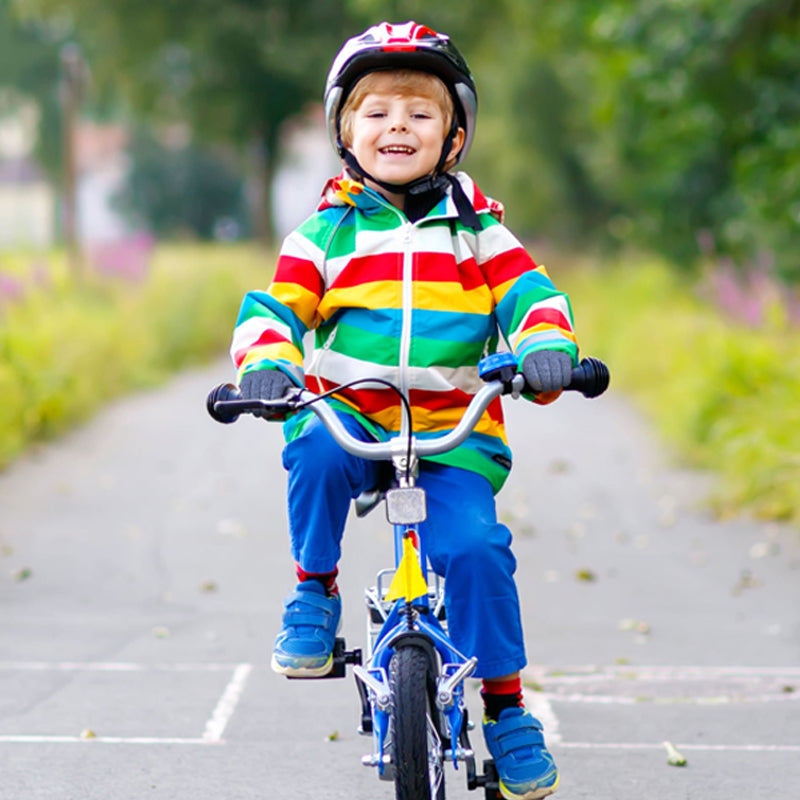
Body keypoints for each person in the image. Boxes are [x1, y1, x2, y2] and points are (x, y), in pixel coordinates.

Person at [230, 21, 577, 800]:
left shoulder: (480, 231)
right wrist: (267, 364)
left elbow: (534, 298)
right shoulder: (328, 230)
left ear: (454, 136)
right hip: (352, 419)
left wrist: (546, 349)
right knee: (311, 451)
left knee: (479, 551)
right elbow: (273, 309)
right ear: (344, 131)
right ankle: (313, 591)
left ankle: (508, 708)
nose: (398, 127)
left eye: (420, 114)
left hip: (455, 433)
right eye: (377, 112)